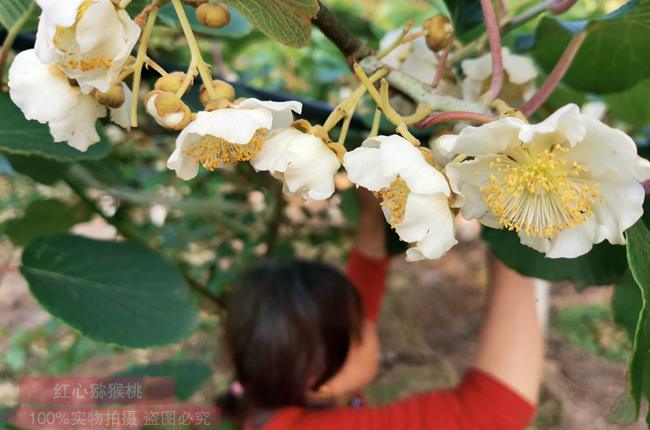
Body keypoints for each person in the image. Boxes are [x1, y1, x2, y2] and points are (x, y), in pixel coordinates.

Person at [220, 188, 543, 430]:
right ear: (319, 384)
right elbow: (495, 409)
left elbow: (355, 301)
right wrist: (512, 238)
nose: (371, 323)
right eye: (360, 330)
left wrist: (371, 219)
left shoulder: (288, 386)